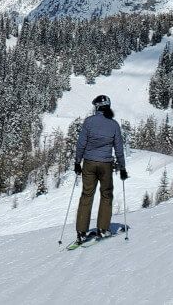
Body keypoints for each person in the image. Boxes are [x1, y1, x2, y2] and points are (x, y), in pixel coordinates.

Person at [73, 95, 126, 243]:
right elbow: (119, 149)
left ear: (97, 107)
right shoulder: (114, 125)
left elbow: (81, 144)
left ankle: (81, 232)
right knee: (106, 195)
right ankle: (103, 229)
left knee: (87, 195)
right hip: (106, 165)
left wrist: (77, 162)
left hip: (89, 163)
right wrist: (122, 167)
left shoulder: (89, 122)